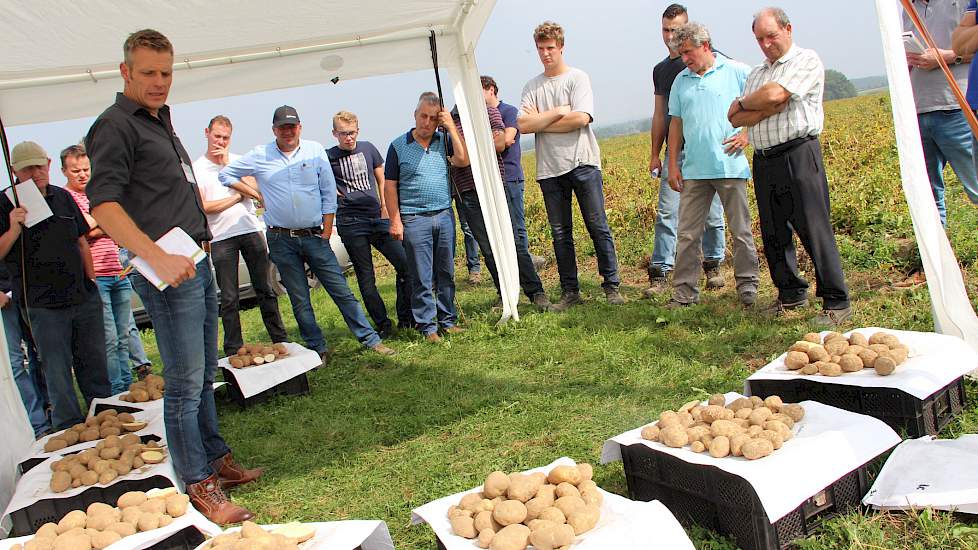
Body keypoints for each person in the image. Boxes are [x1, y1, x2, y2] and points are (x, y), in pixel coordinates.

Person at [85, 29, 260, 524]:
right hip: (167, 271)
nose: (160, 82)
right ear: (125, 72)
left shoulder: (159, 120)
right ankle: (197, 482)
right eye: (148, 74)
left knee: (204, 375)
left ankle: (215, 458)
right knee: (184, 384)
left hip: (196, 260)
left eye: (165, 72)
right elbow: (105, 204)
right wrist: (153, 256)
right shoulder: (115, 125)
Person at [219, 106, 394, 358]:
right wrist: (256, 193)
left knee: (341, 290)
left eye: (292, 127)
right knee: (300, 299)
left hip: (314, 235)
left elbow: (328, 190)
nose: (288, 132)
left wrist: (326, 228)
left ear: (299, 127)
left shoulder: (313, 151)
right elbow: (226, 174)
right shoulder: (260, 155)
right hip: (280, 238)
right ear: (274, 130)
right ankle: (317, 348)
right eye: (282, 128)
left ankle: (370, 339)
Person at [729, 8, 851, 326]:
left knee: (814, 226)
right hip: (764, 157)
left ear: (788, 29)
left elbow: (776, 94)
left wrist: (760, 102)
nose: (766, 43)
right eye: (759, 39)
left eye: (772, 35)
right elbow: (736, 116)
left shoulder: (805, 60)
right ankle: (790, 292)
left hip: (798, 152)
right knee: (773, 231)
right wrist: (755, 104)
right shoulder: (756, 73)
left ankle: (836, 301)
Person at [0, 141, 111, 430]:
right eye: (28, 168)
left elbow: (81, 240)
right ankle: (70, 431)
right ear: (14, 171)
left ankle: (107, 419)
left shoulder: (62, 196)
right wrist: (13, 228)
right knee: (57, 372)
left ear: (49, 164)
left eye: (39, 165)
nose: (36, 172)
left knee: (94, 363)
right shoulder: (5, 202)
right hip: (42, 303)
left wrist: (92, 282)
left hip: (81, 296)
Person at [518, 21, 624, 310]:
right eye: (540, 48)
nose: (545, 54)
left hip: (582, 162)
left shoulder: (578, 78)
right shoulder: (532, 86)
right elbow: (524, 125)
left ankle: (611, 285)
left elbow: (581, 119)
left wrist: (543, 121)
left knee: (597, 225)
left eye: (550, 48)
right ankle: (570, 291)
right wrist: (558, 112)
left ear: (561, 47)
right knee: (560, 233)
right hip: (549, 169)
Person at [662, 22, 760, 309]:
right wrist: (672, 165)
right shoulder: (681, 81)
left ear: (705, 46)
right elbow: (675, 124)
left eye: (688, 52)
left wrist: (747, 135)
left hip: (730, 165)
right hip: (694, 169)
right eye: (681, 54)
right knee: (688, 234)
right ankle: (683, 294)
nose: (685, 59)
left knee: (740, 230)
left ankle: (747, 286)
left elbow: (761, 107)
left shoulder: (738, 71)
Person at [646, 4, 726, 297]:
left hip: (705, 146)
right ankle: (660, 270)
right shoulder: (661, 70)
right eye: (666, 30)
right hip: (675, 151)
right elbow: (660, 115)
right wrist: (656, 153)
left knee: (713, 211)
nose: (670, 36)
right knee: (667, 211)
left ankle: (713, 264)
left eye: (676, 30)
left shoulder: (710, 58)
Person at [193, 115, 288, 357]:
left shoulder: (238, 161)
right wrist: (236, 198)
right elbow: (204, 206)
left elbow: (256, 191)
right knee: (229, 296)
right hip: (221, 236)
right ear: (207, 133)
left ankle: (280, 338)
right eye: (217, 136)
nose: (221, 142)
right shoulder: (197, 168)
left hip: (249, 230)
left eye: (225, 138)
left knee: (265, 287)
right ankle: (234, 347)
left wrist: (227, 167)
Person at [384, 92, 469, 342]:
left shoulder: (444, 141)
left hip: (443, 214)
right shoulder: (398, 146)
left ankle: (448, 320)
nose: (427, 122)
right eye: (423, 116)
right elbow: (390, 186)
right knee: (421, 275)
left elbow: (463, 160)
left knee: (446, 271)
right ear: (415, 115)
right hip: (414, 218)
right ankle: (427, 326)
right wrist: (395, 220)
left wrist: (451, 126)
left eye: (433, 118)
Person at [327, 110, 413, 337]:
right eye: (343, 134)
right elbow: (319, 180)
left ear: (358, 130)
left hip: (377, 217)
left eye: (352, 132)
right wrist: (334, 193)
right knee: (366, 277)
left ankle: (406, 318)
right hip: (351, 222)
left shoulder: (368, 148)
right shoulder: (327, 156)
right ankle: (383, 324)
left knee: (405, 264)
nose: (349, 138)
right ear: (335, 133)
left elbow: (382, 178)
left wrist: (386, 208)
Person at [62, 144, 134, 395]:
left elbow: (117, 222)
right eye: (75, 171)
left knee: (124, 336)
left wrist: (99, 224)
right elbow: (79, 233)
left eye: (85, 169)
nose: (82, 175)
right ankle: (116, 391)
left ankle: (128, 386)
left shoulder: (97, 193)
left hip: (118, 270)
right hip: (97, 276)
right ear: (64, 171)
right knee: (109, 339)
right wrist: (104, 223)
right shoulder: (66, 198)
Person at [904, 1, 978, 231]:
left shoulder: (960, 4)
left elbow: (968, 49)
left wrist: (946, 57)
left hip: (956, 107)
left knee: (975, 186)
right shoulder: (906, 8)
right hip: (918, 109)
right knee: (928, 197)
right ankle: (938, 259)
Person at [480, 76, 552, 307]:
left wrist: (483, 144)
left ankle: (531, 285)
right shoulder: (479, 117)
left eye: (479, 90)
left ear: (491, 89)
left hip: (509, 177)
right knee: (496, 237)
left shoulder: (508, 111)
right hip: (489, 180)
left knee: (517, 234)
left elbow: (507, 139)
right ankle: (508, 290)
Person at [0, 262, 49, 437]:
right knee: (16, 364)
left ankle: (49, 409)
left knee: (42, 354)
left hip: (27, 291)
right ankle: (38, 425)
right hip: (4, 299)